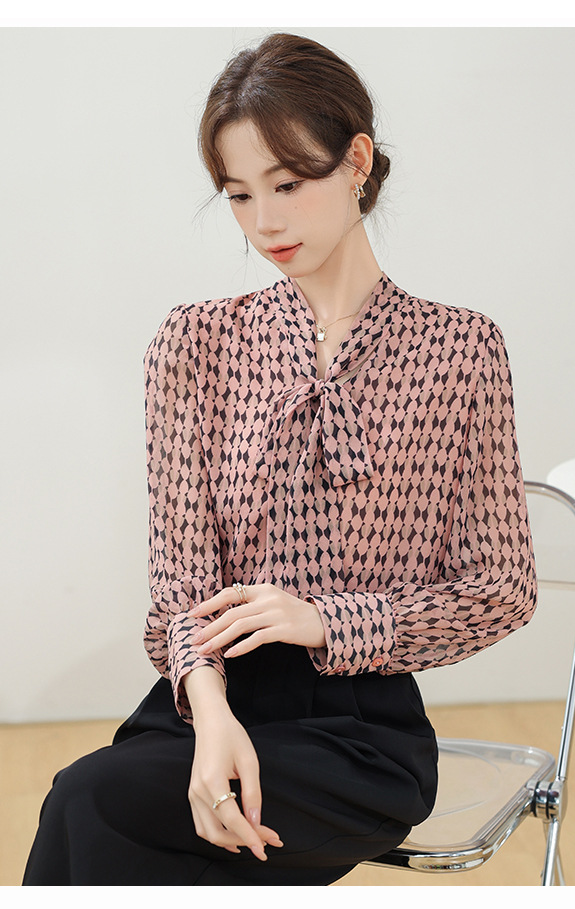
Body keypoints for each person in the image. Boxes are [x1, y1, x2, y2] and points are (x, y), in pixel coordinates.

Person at [22, 32, 538, 886]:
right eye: (238, 195)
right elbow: (180, 586)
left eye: (288, 184)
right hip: (206, 707)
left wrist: (329, 620)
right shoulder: (196, 343)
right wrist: (211, 713)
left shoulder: (460, 350)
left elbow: (502, 588)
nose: (264, 222)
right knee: (102, 805)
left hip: (360, 737)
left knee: (94, 808)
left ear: (357, 162)